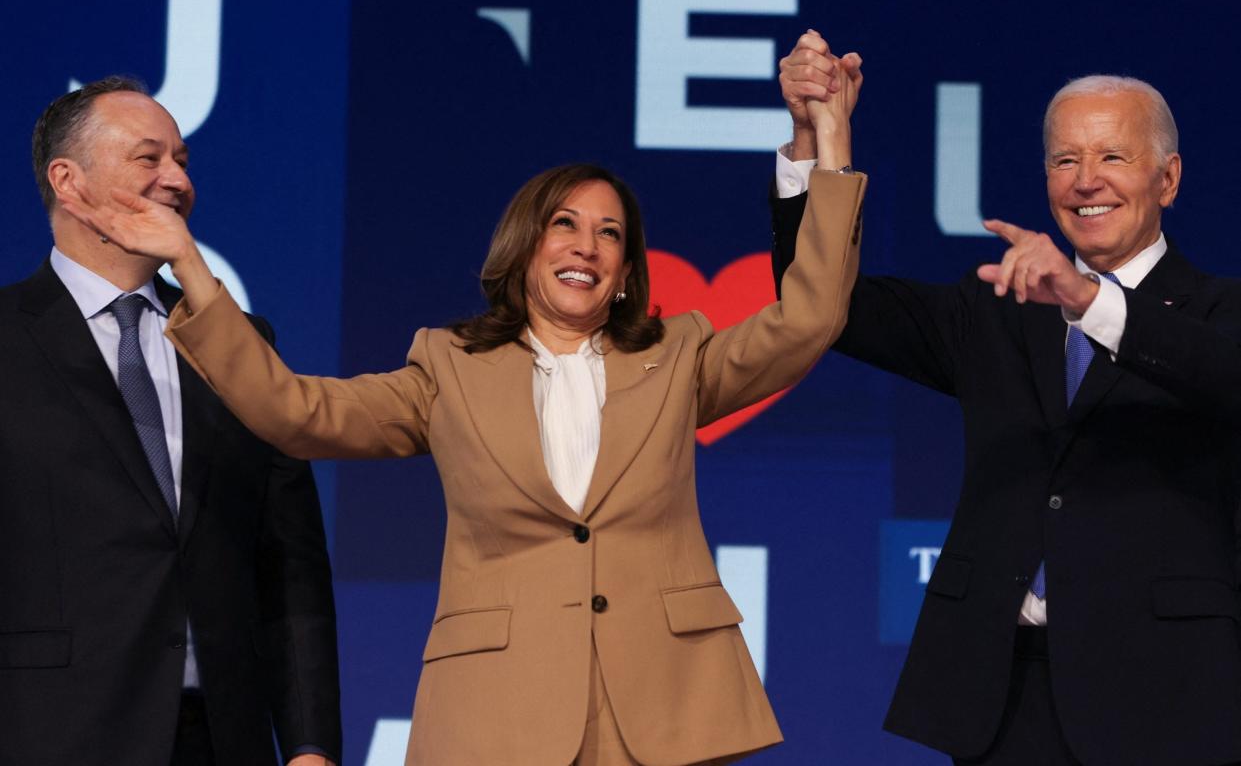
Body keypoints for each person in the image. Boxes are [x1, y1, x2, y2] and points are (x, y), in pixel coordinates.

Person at [58, 42, 865, 766]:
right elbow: (290, 410)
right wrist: (189, 269)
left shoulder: (678, 356)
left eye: (610, 234)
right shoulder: (447, 369)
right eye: (563, 224)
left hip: (660, 717)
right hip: (498, 721)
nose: (585, 245)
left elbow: (810, 317)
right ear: (523, 249)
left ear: (624, 273)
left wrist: (824, 141)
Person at [774, 32, 1241, 765]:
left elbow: (1219, 372)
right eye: (1064, 159)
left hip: (1164, 695)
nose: (1085, 180)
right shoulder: (996, 307)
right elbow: (831, 308)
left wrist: (1087, 300)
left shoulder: (1218, 312)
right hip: (1000, 697)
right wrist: (815, 137)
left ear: (1168, 177)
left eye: (1112, 156)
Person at [1, 76, 342, 766]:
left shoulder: (241, 345)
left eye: (182, 161)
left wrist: (309, 744)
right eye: (148, 158)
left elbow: (290, 564)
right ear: (68, 182)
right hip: (44, 734)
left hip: (222, 737)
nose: (177, 180)